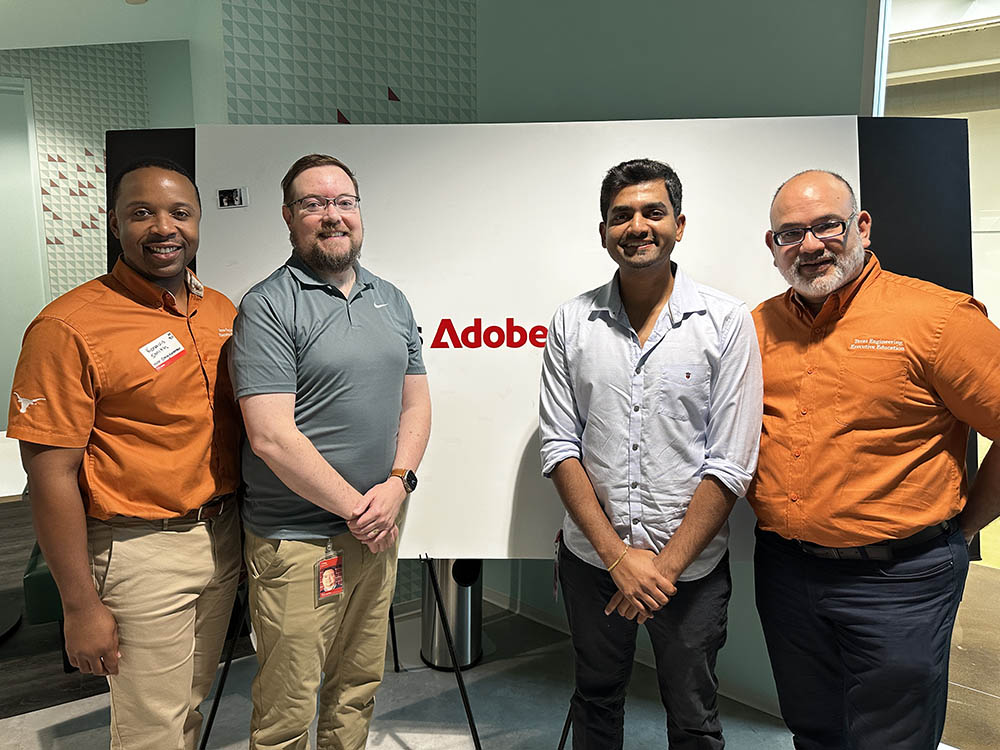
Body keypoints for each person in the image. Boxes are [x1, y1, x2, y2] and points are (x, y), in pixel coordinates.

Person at [749, 169, 1000, 749]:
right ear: (773, 246)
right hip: (787, 573)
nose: (809, 246)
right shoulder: (758, 327)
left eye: (826, 226)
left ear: (860, 226)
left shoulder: (937, 320)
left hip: (900, 581)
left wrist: (965, 528)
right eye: (790, 233)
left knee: (892, 740)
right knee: (813, 731)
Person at [7, 159, 242, 750]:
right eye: (142, 213)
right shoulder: (66, 327)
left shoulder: (218, 310)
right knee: (149, 730)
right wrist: (80, 605)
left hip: (223, 535)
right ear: (115, 223)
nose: (163, 227)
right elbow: (49, 476)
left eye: (179, 213)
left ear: (197, 223)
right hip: (140, 552)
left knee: (187, 702)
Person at [539, 158, 763, 749]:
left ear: (679, 224)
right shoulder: (571, 321)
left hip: (689, 571)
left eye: (653, 212)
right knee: (596, 700)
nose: (637, 226)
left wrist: (659, 572)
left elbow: (731, 461)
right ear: (604, 231)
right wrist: (618, 560)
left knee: (694, 717)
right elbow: (561, 446)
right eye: (621, 216)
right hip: (594, 565)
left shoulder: (726, 322)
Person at [230, 153, 431, 750]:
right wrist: (358, 509)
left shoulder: (390, 299)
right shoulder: (267, 305)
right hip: (296, 538)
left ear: (359, 214)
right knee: (287, 707)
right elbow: (270, 435)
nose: (332, 215)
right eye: (314, 204)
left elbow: (415, 407)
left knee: (358, 685)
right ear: (289, 218)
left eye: (343, 202)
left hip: (377, 527)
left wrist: (398, 485)